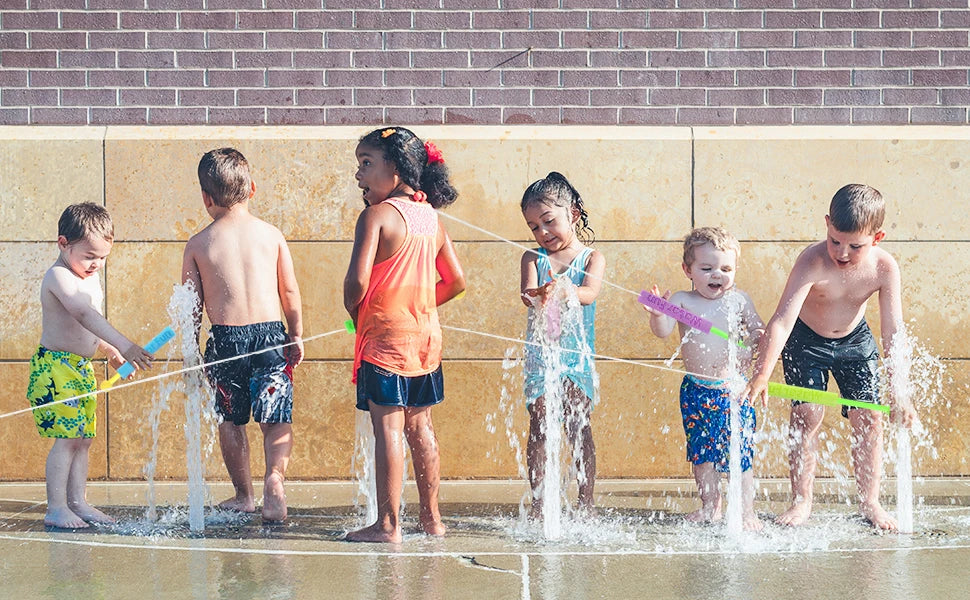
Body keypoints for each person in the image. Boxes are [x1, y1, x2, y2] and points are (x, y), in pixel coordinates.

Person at [744, 184, 917, 531]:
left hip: (855, 342)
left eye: (855, 246)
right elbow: (781, 321)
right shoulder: (812, 260)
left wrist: (902, 392)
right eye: (835, 240)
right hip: (806, 340)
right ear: (826, 224)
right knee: (807, 414)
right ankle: (802, 499)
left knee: (870, 417)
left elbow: (893, 332)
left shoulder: (885, 268)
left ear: (877, 238)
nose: (842, 252)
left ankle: (870, 501)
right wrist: (762, 373)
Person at [343, 127, 465, 543]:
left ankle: (387, 524)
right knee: (421, 427)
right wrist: (418, 305)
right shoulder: (431, 217)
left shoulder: (376, 216)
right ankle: (433, 519)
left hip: (385, 341)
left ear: (394, 167)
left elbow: (357, 284)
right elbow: (456, 282)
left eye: (366, 163)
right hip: (425, 339)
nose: (358, 174)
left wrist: (355, 308)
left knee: (389, 430)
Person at [181, 148, 304, 523]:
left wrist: (191, 352)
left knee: (231, 420)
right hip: (270, 338)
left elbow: (191, 307)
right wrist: (296, 334)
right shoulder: (271, 235)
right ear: (252, 188)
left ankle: (244, 495)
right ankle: (274, 478)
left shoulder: (198, 244)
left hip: (226, 342)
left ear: (206, 198)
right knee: (275, 417)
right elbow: (289, 291)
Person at [27, 202, 154, 528]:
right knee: (67, 439)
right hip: (55, 369)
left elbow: (88, 328)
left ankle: (77, 502)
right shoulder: (58, 276)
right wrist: (126, 344)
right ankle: (56, 507)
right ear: (63, 244)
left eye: (103, 257)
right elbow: (83, 314)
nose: (97, 263)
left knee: (83, 439)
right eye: (89, 256)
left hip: (81, 368)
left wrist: (110, 350)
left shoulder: (89, 277)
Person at [646, 227, 764, 531]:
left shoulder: (739, 300)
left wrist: (754, 340)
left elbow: (757, 329)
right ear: (688, 270)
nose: (717, 275)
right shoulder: (683, 301)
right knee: (702, 456)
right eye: (707, 268)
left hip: (734, 391)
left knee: (740, 455)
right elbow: (663, 331)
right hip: (697, 391)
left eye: (726, 269)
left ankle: (746, 512)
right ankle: (711, 506)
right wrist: (657, 314)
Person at [519, 172, 605, 520]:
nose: (542, 232)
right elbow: (526, 295)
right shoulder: (532, 258)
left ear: (573, 214)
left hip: (576, 357)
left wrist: (564, 289)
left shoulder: (592, 258)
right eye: (534, 226)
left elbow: (589, 294)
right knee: (539, 424)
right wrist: (539, 294)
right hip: (541, 355)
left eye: (548, 221)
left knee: (578, 425)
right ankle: (540, 505)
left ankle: (586, 503)